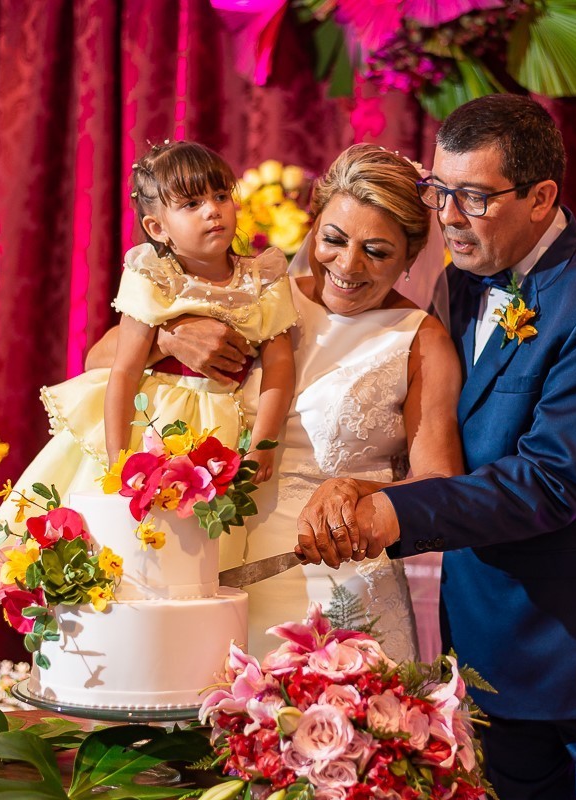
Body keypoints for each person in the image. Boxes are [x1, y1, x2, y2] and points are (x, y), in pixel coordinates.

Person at [296, 95, 576, 798]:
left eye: (473, 197)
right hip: (487, 654)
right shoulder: (462, 281)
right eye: (439, 190)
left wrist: (395, 516)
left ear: (542, 198)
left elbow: (553, 481)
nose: (447, 215)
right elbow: (447, 450)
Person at [93, 144, 463, 661]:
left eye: (376, 251)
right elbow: (98, 365)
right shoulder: (255, 290)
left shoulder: (421, 341)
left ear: (409, 259)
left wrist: (355, 488)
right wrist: (171, 340)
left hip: (337, 585)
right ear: (313, 227)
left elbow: (441, 483)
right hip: (212, 565)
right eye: (332, 239)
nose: (348, 265)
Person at [0, 140, 297, 565]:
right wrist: (118, 458)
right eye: (192, 203)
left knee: (200, 554)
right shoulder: (153, 274)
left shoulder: (263, 277)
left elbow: (279, 365)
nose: (213, 210)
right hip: (154, 422)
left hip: (225, 427)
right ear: (158, 229)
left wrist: (264, 443)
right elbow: (123, 370)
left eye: (220, 196)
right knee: (136, 542)